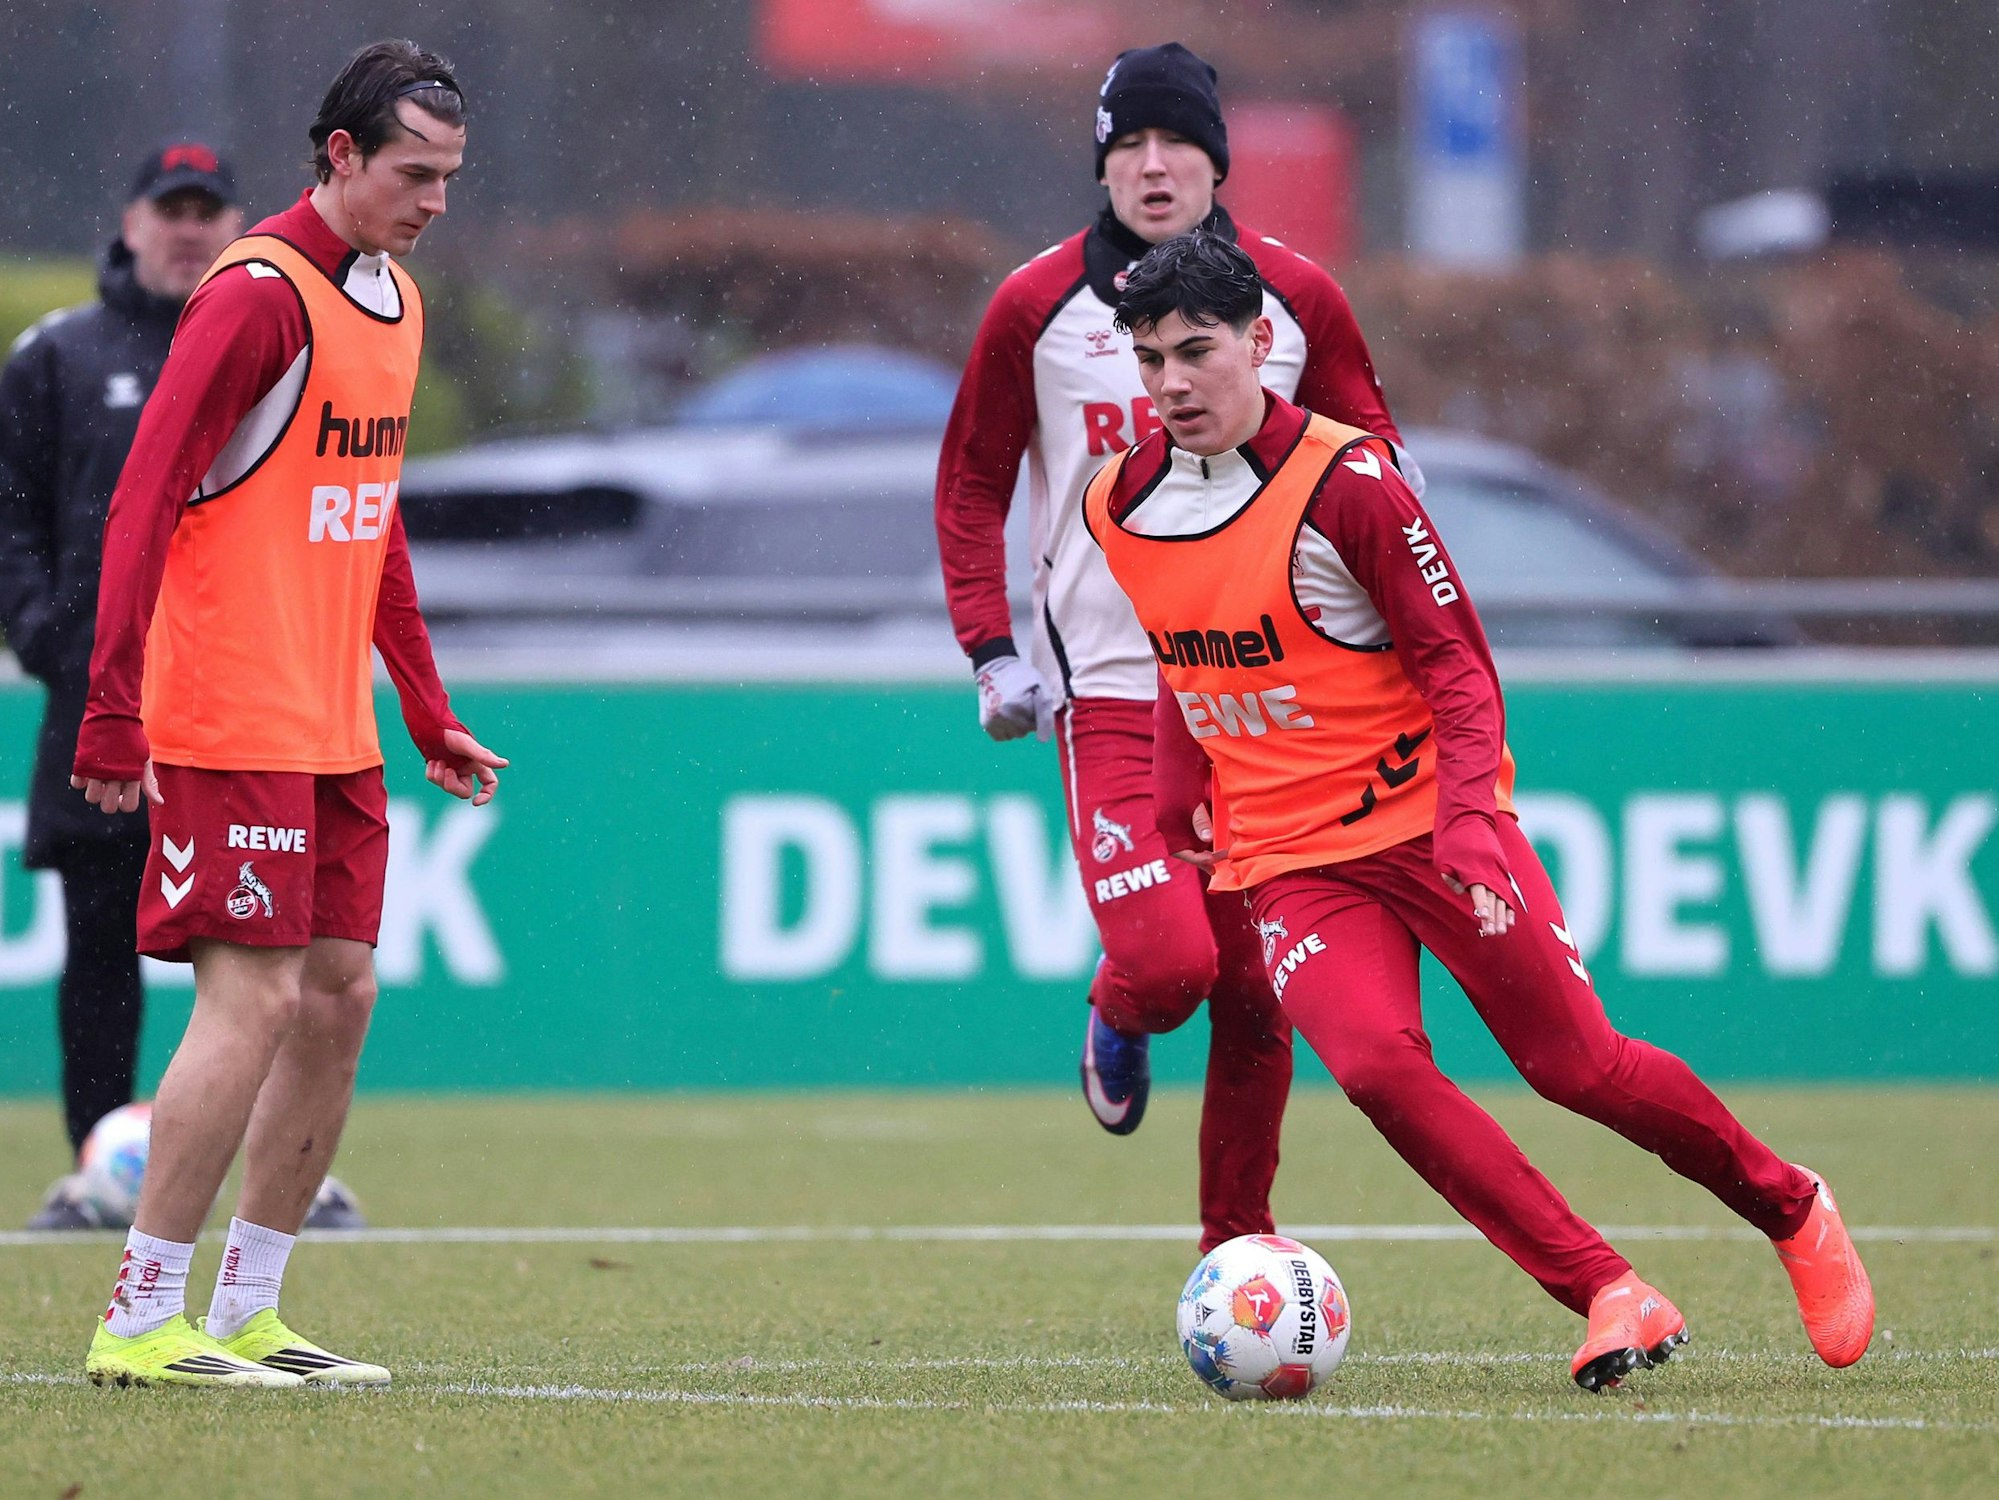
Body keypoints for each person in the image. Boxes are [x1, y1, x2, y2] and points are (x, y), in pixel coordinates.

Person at [1083, 230, 1875, 1390]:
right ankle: (1607, 1289)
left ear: (1259, 343)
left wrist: (1464, 817)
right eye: (1148, 359)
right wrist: (1174, 783)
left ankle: (1791, 1204)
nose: (1170, 383)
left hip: (1432, 826)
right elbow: (1178, 646)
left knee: (1578, 1070)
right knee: (1377, 1070)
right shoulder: (1120, 503)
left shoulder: (1347, 485)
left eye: (1194, 351)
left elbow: (1457, 665)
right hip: (1291, 856)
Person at [69, 39, 504, 1389]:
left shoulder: (397, 300)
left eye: (449, 176)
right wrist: (110, 711)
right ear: (339, 157)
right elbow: (141, 501)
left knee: (337, 996)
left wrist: (423, 708)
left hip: (332, 722)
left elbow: (372, 526)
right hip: (226, 711)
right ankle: (142, 1317)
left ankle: (249, 1304)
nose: (434, 199)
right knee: (250, 1002)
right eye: (412, 174)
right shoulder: (252, 297)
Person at [934, 42, 1415, 1254]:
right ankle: (1118, 1001)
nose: (1152, 167)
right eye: (1128, 146)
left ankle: (1232, 1252)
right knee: (1169, 965)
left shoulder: (1298, 296)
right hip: (1108, 691)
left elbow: (1375, 462)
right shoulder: (1033, 305)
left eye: (1177, 143)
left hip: (1262, 698)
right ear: (1102, 163)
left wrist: (1388, 621)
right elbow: (969, 483)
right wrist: (990, 648)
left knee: (1261, 993)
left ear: (1216, 158)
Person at [0, 144, 243, 1228]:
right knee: (102, 944)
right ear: (132, 219)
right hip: (102, 706)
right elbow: (10, 513)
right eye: (170, 208)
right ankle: (102, 1167)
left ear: (234, 222)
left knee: (258, 954)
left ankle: (278, 1174)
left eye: (207, 210)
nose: (188, 229)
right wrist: (53, 637)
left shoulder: (271, 343)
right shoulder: (57, 355)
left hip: (240, 699)